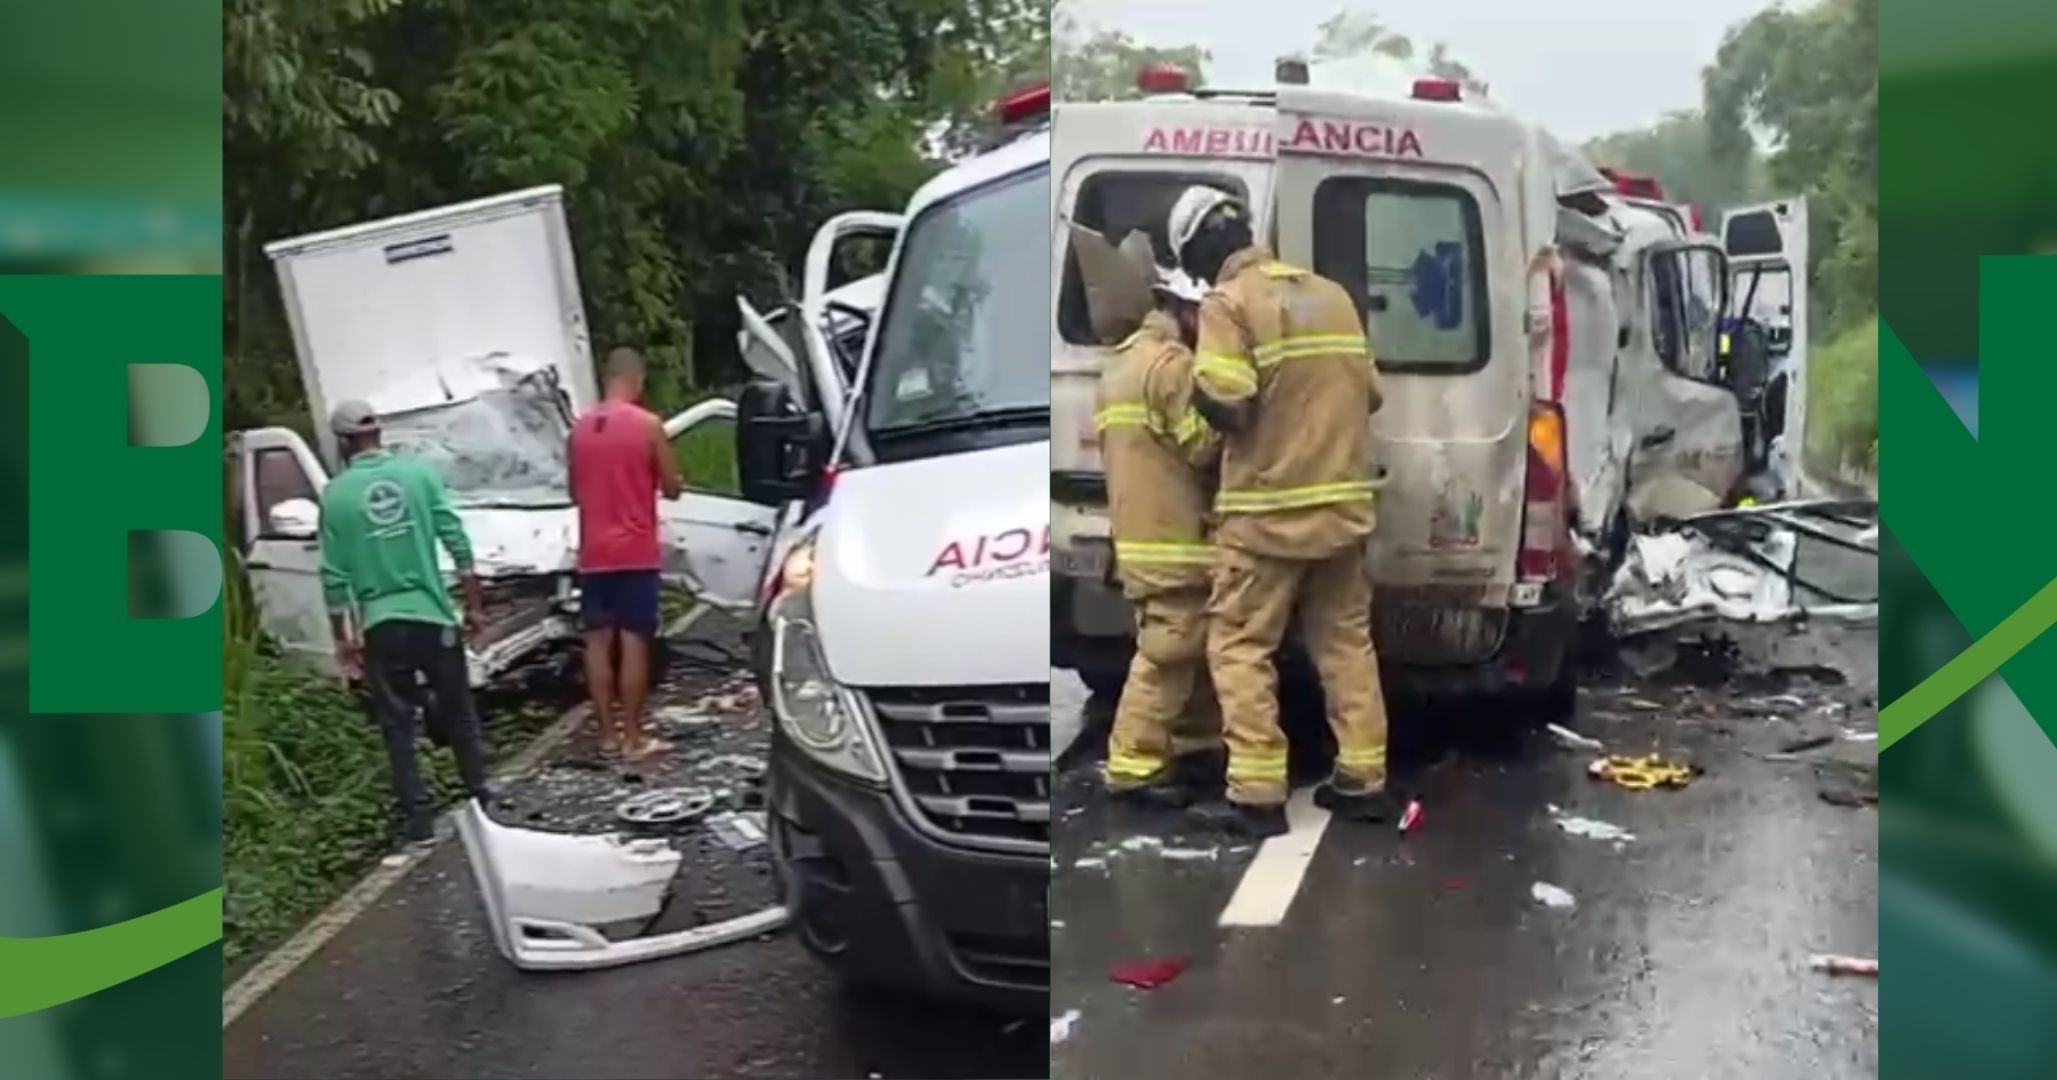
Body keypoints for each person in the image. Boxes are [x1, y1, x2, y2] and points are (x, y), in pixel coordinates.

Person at [1166, 185, 1395, 838]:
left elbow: (1229, 402)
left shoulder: (1227, 303)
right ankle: (1362, 779)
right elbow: (1370, 394)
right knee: (1345, 645)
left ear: (1205, 251)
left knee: (1239, 648)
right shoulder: (1331, 296)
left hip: (1264, 519)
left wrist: (1195, 384)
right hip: (1342, 512)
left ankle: (1256, 795)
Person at [319, 399, 493, 847]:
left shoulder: (336, 496)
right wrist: (474, 607)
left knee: (398, 726)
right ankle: (481, 799)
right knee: (460, 713)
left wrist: (344, 640)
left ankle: (419, 822)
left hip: (381, 624)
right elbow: (456, 540)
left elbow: (334, 576)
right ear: (379, 434)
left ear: (343, 442)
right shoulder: (419, 477)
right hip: (433, 616)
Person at [1092, 242, 1226, 806]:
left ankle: (1194, 744)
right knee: (1170, 649)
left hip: (1139, 537)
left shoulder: (1120, 365)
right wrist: (1236, 416)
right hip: (1175, 539)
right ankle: (1134, 763)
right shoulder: (1171, 368)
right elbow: (1201, 447)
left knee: (1187, 642)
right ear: (1184, 312)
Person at [568, 347, 683, 760]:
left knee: (597, 642)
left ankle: (606, 735)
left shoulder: (579, 429)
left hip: (594, 552)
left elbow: (573, 490)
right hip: (635, 550)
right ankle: (634, 736)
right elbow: (671, 486)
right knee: (634, 640)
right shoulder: (648, 425)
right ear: (638, 379)